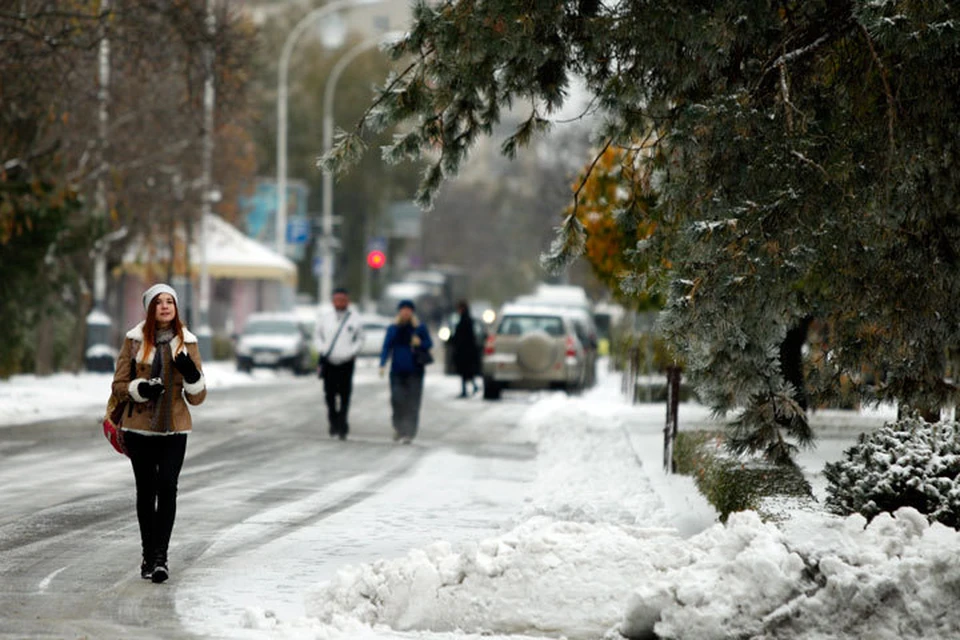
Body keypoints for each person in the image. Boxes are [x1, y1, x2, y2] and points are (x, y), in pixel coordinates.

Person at [112, 283, 206, 584]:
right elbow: (118, 385)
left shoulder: (187, 342)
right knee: (146, 490)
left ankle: (161, 558)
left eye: (170, 302)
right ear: (150, 309)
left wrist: (192, 376)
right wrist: (141, 389)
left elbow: (198, 397)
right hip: (139, 428)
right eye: (158, 302)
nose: (165, 307)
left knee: (168, 487)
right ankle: (148, 554)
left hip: (175, 429)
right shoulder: (134, 340)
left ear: (176, 308)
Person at [379, 299, 433, 444]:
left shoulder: (419, 328)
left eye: (408, 309)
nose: (406, 312)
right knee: (397, 399)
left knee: (413, 402)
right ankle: (398, 427)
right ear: (399, 311)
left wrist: (420, 343)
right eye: (403, 309)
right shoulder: (393, 328)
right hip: (397, 370)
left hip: (415, 371)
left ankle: (409, 432)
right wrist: (382, 363)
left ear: (412, 312)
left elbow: (429, 343)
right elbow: (386, 346)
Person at [316, 286, 364, 440]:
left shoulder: (354, 318)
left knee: (344, 395)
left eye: (343, 300)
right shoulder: (325, 318)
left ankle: (343, 424)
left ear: (347, 301)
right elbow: (317, 336)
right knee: (329, 395)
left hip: (346, 362)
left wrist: (352, 352)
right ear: (333, 301)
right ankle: (333, 420)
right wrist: (322, 350)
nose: (340, 302)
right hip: (329, 361)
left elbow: (361, 338)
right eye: (337, 299)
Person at [451, 300, 480, 397]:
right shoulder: (466, 320)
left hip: (464, 351)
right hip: (466, 350)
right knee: (466, 372)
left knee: (465, 371)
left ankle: (466, 390)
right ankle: (471, 387)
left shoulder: (465, 321)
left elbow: (462, 336)